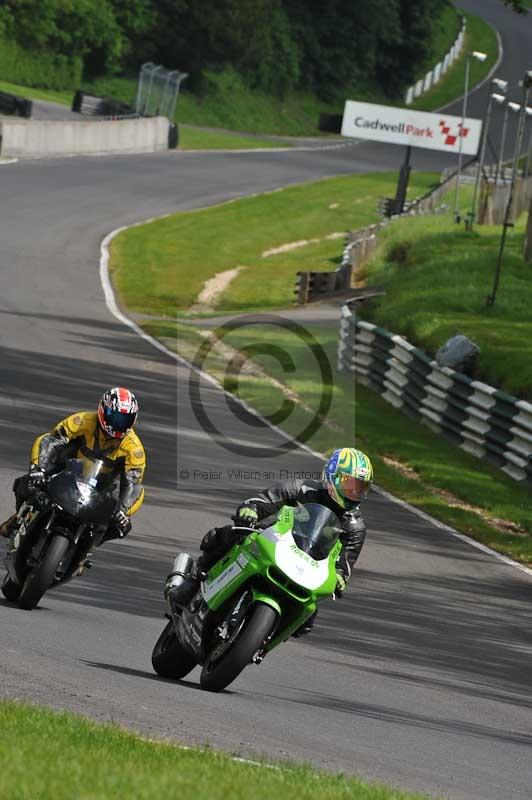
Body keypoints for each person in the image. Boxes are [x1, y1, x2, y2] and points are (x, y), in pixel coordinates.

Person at [167, 447, 372, 637]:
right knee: (227, 534)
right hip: (277, 541)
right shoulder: (303, 489)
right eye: (349, 484)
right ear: (331, 476)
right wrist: (251, 511)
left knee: (306, 622)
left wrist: (339, 578)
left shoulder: (355, 527)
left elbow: (343, 566)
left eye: (360, 487)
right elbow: (264, 500)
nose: (354, 492)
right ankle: (193, 582)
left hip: (309, 566)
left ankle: (263, 639)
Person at [0, 387, 145, 544]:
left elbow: (132, 483)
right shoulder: (83, 420)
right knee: (28, 484)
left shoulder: (134, 448)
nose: (118, 424)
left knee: (121, 526)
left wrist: (122, 511)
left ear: (133, 420)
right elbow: (51, 440)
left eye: (124, 420)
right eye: (115, 417)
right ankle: (21, 516)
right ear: (103, 410)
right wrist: (39, 469)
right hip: (68, 472)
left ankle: (86, 549)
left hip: (103, 489)